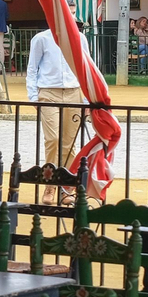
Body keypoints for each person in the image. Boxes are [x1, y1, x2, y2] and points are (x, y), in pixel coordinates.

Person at [25, 21, 85, 206]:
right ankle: (49, 184)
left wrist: (88, 98)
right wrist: (34, 96)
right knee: (53, 139)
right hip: (48, 91)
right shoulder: (41, 39)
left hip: (74, 92)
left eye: (73, 14)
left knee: (69, 143)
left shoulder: (80, 38)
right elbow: (32, 68)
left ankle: (65, 188)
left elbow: (86, 67)